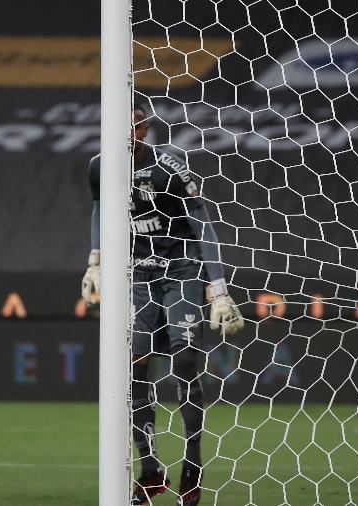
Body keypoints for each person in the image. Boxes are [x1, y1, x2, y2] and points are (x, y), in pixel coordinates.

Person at [82, 105, 244, 506]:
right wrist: (95, 261)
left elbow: (202, 220)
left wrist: (219, 286)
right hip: (137, 277)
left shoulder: (169, 165)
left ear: (144, 129)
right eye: (118, 127)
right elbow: (101, 208)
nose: (127, 134)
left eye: (134, 126)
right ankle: (150, 469)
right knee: (133, 367)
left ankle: (193, 465)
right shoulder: (99, 166)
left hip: (182, 272)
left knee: (185, 361)